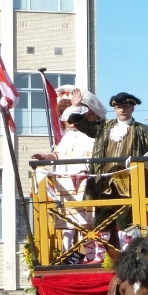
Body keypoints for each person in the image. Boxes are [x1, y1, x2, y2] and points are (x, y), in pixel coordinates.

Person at [68, 90, 148, 250]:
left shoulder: (142, 129)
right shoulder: (104, 127)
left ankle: (127, 252)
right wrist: (75, 106)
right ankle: (102, 256)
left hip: (130, 183)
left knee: (127, 221)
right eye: (119, 107)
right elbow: (81, 124)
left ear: (132, 108)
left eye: (126, 106)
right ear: (114, 109)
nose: (122, 110)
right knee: (102, 220)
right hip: (104, 182)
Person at [32, 87, 106, 262]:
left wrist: (76, 105)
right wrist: (44, 157)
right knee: (76, 223)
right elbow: (57, 154)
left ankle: (101, 256)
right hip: (66, 184)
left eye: (72, 117)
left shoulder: (91, 135)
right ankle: (82, 255)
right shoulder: (66, 137)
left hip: (87, 182)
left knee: (94, 220)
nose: (69, 122)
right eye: (66, 118)